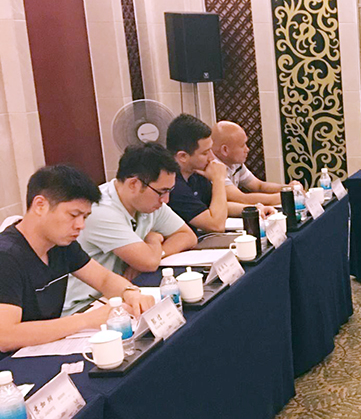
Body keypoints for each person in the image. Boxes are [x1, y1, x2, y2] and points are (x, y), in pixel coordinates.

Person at [0, 165, 156, 352]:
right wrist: (85, 320)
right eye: (73, 215)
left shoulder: (60, 245)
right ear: (40, 205)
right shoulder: (6, 256)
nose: (80, 225)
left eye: (85, 217)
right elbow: (5, 336)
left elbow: (104, 279)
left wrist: (130, 293)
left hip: (43, 348)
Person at [64, 143, 197, 313]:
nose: (166, 199)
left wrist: (156, 253)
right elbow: (148, 262)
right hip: (85, 305)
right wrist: (154, 240)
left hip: (122, 292)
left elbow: (187, 236)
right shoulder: (100, 210)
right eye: (162, 192)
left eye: (170, 191)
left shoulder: (149, 201)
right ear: (134, 184)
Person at [166, 114, 272, 233]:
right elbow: (216, 225)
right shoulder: (172, 184)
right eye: (205, 153)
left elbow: (219, 207)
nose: (211, 157)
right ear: (183, 156)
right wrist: (218, 179)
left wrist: (254, 209)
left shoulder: (196, 173)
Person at [212, 121, 294, 206]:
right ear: (225, 150)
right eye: (242, 145)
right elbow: (241, 199)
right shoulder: (213, 167)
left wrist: (289, 188)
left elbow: (259, 186)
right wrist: (286, 196)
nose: (247, 149)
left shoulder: (234, 163)